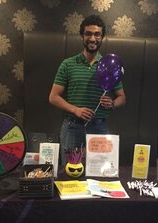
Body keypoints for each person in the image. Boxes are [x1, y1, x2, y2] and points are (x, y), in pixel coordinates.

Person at [49, 14, 126, 163]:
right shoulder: (68, 64)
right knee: (70, 173)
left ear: (102, 37)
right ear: (82, 36)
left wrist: (112, 103)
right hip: (72, 127)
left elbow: (122, 98)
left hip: (99, 127)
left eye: (97, 34)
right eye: (88, 34)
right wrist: (75, 110)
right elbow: (53, 97)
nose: (92, 38)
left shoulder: (109, 65)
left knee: (99, 174)